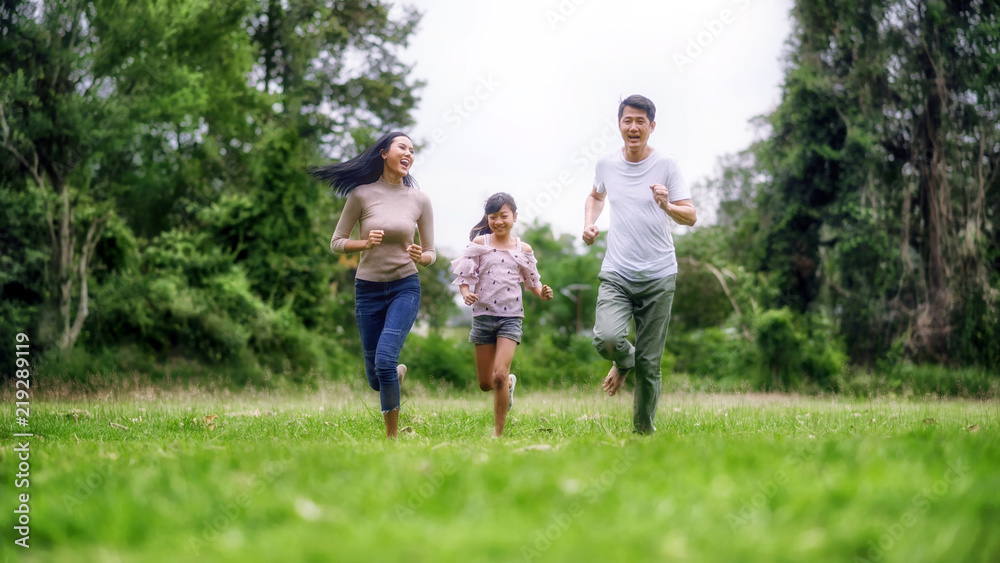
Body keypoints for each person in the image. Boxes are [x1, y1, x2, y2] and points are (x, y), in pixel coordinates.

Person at [582, 95, 697, 434]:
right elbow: (595, 195)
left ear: (651, 126)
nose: (633, 127)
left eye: (640, 121)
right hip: (617, 271)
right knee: (605, 337)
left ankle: (643, 434)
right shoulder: (606, 164)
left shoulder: (667, 165)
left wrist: (667, 204)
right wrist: (589, 222)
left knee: (650, 363)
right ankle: (625, 359)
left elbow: (690, 216)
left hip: (660, 275)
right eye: (627, 120)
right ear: (619, 124)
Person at [309, 131, 435, 439]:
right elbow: (336, 243)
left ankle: (391, 438)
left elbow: (431, 251)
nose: (409, 154)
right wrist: (363, 243)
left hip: (405, 285)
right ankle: (395, 375)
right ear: (383, 153)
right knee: (377, 377)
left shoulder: (419, 199)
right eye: (402, 147)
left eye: (412, 150)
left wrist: (423, 256)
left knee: (384, 359)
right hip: (368, 290)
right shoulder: (362, 195)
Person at [451, 193, 554, 437]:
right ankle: (509, 385)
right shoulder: (480, 244)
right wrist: (465, 293)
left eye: (504, 216)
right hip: (483, 317)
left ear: (514, 217)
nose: (498, 221)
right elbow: (465, 276)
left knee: (498, 374)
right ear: (488, 218)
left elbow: (533, 282)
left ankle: (497, 434)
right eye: (493, 216)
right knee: (487, 383)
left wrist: (543, 293)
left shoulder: (523, 249)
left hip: (511, 318)